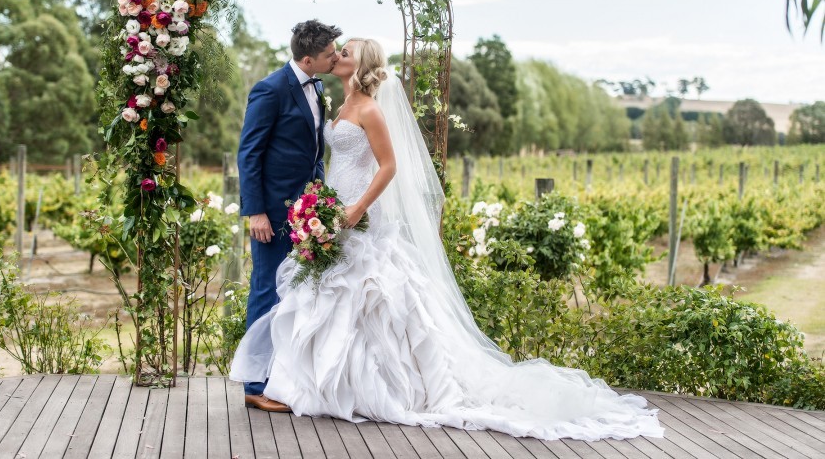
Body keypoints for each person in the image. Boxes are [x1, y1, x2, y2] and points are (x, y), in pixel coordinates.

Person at [231, 38, 664, 441]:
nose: (336, 54)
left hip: (358, 210)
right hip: (333, 208)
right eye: (334, 50)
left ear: (358, 63)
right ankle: (306, 381)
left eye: (345, 51)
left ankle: (371, 386)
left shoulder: (371, 110)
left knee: (370, 292)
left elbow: (388, 167)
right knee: (322, 291)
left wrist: (358, 207)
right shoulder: (340, 104)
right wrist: (321, 204)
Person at [236, 19, 341, 412]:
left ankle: (284, 378)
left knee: (296, 294)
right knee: (265, 289)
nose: (336, 57)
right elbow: (249, 154)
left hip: (306, 213)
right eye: (331, 53)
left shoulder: (319, 86)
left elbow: (313, 151)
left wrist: (318, 197)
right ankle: (254, 385)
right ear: (309, 57)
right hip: (272, 213)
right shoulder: (270, 89)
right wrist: (256, 212)